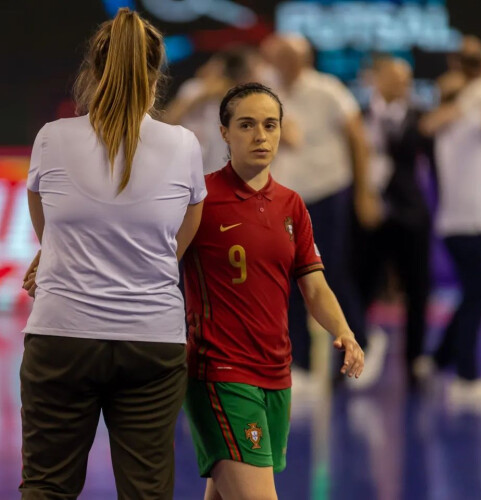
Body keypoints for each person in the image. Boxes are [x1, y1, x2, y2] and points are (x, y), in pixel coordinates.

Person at [18, 9, 206, 499]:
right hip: (153, 343)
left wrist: (56, 256)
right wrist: (152, 262)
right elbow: (187, 227)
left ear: (92, 73)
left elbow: (46, 222)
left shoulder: (52, 138)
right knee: (146, 492)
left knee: (46, 488)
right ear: (155, 77)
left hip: (61, 339)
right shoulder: (184, 144)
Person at [182, 82, 365, 500]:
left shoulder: (291, 205)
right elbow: (145, 251)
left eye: (270, 125)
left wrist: (346, 332)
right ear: (224, 132)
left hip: (276, 374)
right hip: (220, 373)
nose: (260, 136)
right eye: (246, 125)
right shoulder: (199, 198)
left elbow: (314, 286)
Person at [261, 35, 385, 391]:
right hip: (285, 198)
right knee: (287, 277)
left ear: (305, 59)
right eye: (278, 55)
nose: (282, 62)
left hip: (328, 193)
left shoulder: (327, 90)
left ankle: (360, 345)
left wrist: (364, 193)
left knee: (328, 274)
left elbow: (357, 140)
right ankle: (299, 364)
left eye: (289, 56)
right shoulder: (265, 91)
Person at [420, 71, 481, 404]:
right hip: (471, 225)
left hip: (459, 225)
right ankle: (467, 377)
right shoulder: (467, 124)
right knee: (477, 297)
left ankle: (440, 358)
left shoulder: (447, 129)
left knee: (474, 294)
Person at [358, 57, 432, 388]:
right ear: (376, 78)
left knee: (417, 288)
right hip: (368, 214)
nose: (402, 84)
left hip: (410, 214)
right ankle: (352, 356)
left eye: (407, 79)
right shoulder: (358, 116)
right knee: (360, 287)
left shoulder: (421, 118)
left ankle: (414, 361)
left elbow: (435, 164)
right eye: (393, 77)